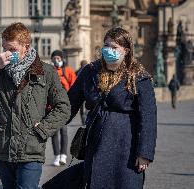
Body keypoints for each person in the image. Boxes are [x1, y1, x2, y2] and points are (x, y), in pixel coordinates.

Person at [0, 22, 71, 189]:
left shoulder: (46, 72)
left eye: (13, 50)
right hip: (3, 149)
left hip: (31, 148)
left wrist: (43, 130)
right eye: (5, 49)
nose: (8, 54)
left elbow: (64, 107)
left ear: (27, 46)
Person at [67, 27, 157, 189]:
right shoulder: (90, 71)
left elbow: (148, 118)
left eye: (114, 47)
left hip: (126, 145)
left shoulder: (138, 76)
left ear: (126, 50)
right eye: (106, 45)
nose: (108, 50)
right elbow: (69, 104)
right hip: (96, 141)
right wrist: (46, 123)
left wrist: (144, 153)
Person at [50, 50, 76, 166]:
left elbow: (75, 87)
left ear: (62, 59)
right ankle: (56, 155)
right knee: (54, 132)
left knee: (63, 131)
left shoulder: (68, 70)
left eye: (58, 58)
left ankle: (63, 155)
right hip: (51, 106)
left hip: (64, 105)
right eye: (54, 59)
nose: (56, 61)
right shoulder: (50, 71)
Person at [75, 60, 88, 125]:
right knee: (86, 108)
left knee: (82, 108)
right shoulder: (89, 71)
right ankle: (84, 120)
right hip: (86, 92)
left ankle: (84, 121)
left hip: (81, 92)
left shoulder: (77, 72)